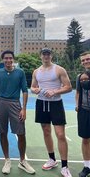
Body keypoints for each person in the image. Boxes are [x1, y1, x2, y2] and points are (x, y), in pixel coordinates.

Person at [0, 50, 35, 175]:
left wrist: (24, 109)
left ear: (13, 59)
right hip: (1, 104)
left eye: (10, 58)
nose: (8, 60)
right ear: (3, 60)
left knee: (21, 133)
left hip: (15, 104)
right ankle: (7, 160)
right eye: (6, 58)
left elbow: (25, 91)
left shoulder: (20, 72)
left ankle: (22, 161)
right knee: (2, 132)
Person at [31, 48, 72, 177]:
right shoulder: (36, 71)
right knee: (46, 131)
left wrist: (55, 92)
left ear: (51, 56)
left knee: (60, 134)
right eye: (44, 54)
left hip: (56, 104)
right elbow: (33, 87)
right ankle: (52, 160)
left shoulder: (59, 69)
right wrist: (35, 90)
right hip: (41, 103)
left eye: (48, 54)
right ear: (40, 56)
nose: (46, 56)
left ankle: (65, 166)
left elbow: (68, 87)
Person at [76, 51, 90, 177]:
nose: (86, 61)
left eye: (87, 59)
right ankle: (87, 166)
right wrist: (77, 106)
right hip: (84, 111)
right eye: (83, 60)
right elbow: (78, 93)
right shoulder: (80, 76)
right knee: (85, 139)